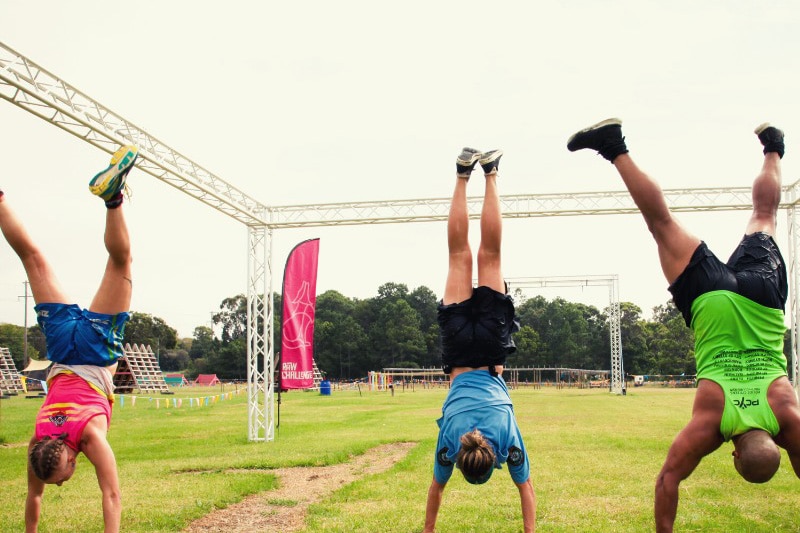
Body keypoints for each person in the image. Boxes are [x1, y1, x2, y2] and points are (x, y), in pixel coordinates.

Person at [567, 119, 800, 532]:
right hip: (712, 304)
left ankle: (773, 149)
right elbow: (667, 480)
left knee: (764, 216)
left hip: (763, 299)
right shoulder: (713, 423)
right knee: (661, 224)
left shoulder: (788, 415)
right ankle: (613, 146)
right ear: (732, 455)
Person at [5, 145, 139, 533]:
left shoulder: (90, 437)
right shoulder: (38, 440)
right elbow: (33, 497)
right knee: (33, 259)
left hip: (95, 349)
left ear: (65, 457)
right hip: (61, 346)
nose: (64, 480)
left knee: (121, 262)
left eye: (60, 475)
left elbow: (111, 496)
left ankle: (113, 199)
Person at [423, 148, 536, 533]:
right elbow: (435, 489)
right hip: (457, 353)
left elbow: (527, 490)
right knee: (457, 255)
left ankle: (490, 172)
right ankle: (460, 172)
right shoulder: (451, 444)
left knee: (490, 253)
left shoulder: (505, 437)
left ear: (493, 458)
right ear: (461, 459)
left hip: (489, 352)